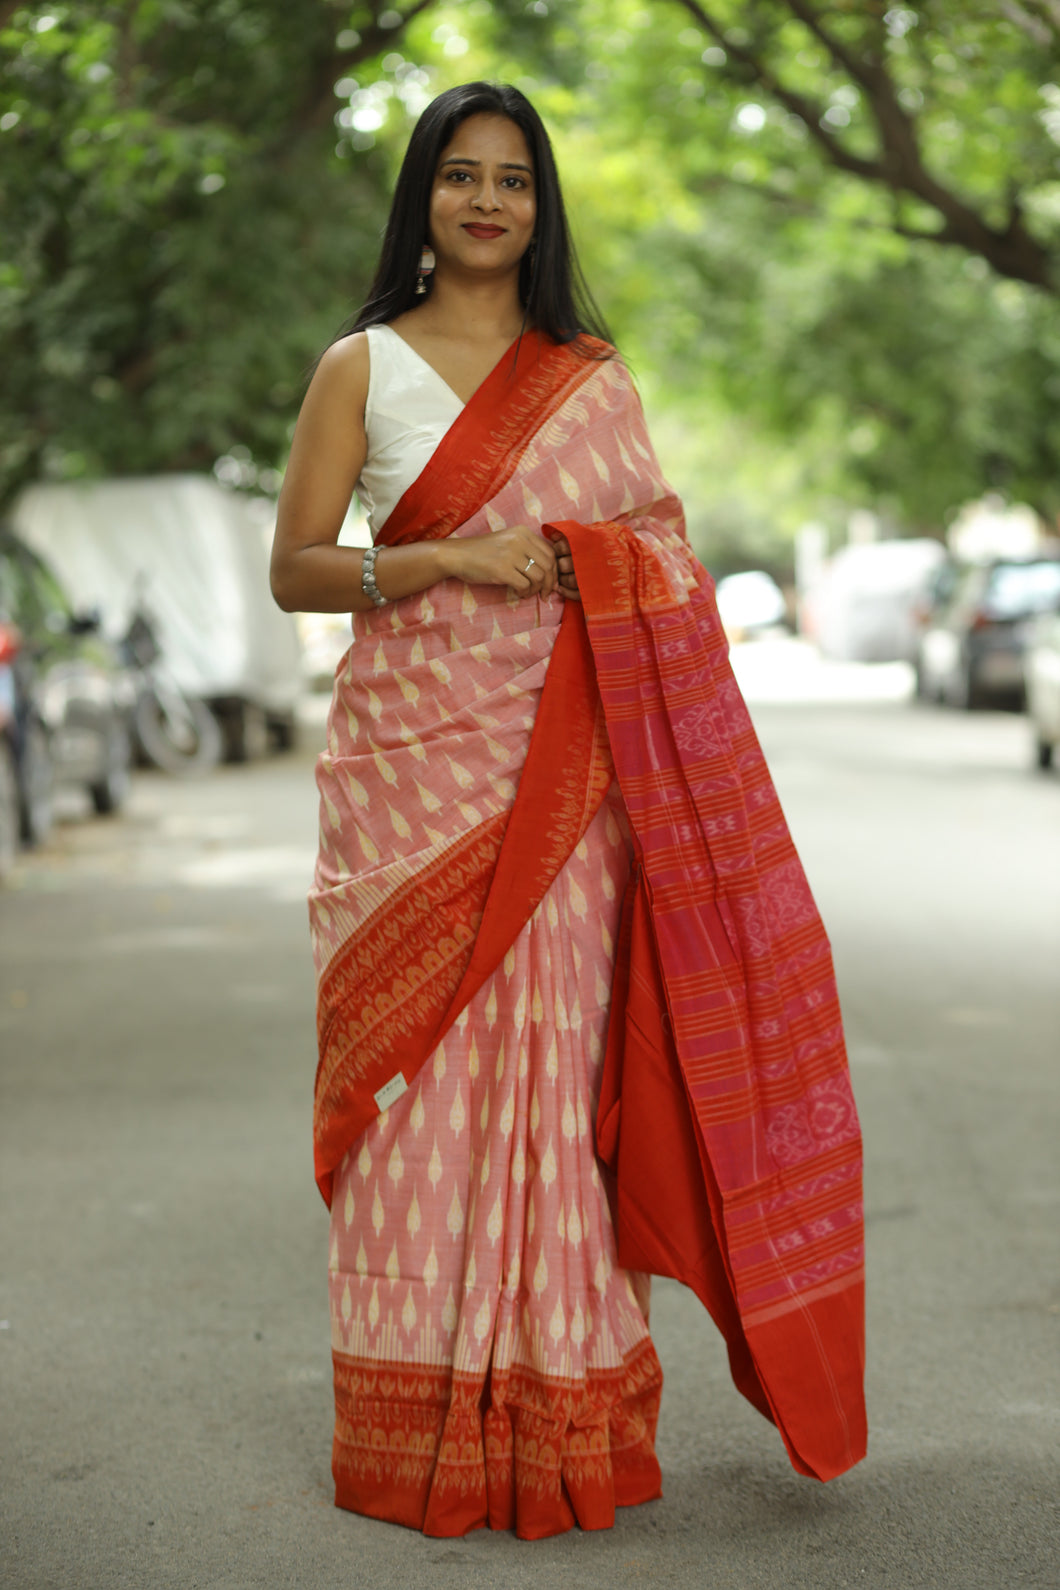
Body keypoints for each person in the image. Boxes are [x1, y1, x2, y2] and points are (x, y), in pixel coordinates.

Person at [270, 81, 866, 1543]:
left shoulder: (589, 377)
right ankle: (421, 1414)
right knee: (419, 1091)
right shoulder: (362, 365)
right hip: (416, 774)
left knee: (549, 1072)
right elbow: (295, 568)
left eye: (514, 181)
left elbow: (658, 552)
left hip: (570, 785)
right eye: (460, 176)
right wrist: (449, 563)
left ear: (540, 208)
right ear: (421, 198)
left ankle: (554, 1407)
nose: (487, 201)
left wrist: (583, 559)